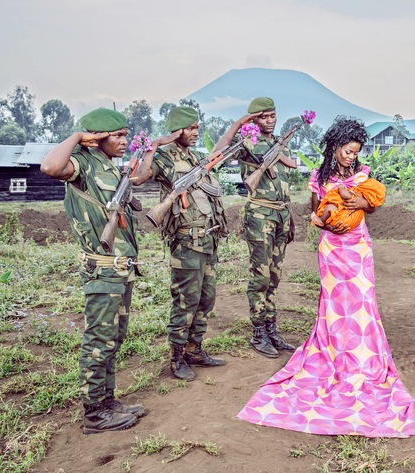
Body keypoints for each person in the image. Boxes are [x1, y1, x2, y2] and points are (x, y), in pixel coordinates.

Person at [237, 117, 415, 437]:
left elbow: (371, 206)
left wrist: (361, 202)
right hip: (332, 249)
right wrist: (328, 219)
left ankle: (362, 362)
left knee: (362, 305)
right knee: (334, 308)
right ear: (334, 147)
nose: (351, 156)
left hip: (358, 248)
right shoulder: (319, 176)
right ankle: (334, 359)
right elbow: (315, 214)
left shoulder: (362, 175)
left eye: (356, 151)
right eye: (347, 150)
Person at [41, 108, 144, 434]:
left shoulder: (110, 167)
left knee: (113, 338)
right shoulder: (82, 163)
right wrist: (76, 137)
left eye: (126, 135)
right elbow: (49, 166)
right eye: (118, 135)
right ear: (97, 138)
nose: (124, 141)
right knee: (98, 339)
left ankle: (107, 401)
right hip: (101, 271)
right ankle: (94, 414)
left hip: (120, 269)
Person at [134, 106, 229, 381]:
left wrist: (239, 125)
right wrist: (154, 144)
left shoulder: (197, 158)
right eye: (190, 128)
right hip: (187, 243)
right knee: (185, 301)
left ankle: (194, 348)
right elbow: (140, 177)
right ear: (176, 132)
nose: (196, 132)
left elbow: (219, 153)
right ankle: (177, 357)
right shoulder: (163, 158)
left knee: (205, 299)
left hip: (208, 239)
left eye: (197, 127)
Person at [213, 97, 297, 358]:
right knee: (260, 276)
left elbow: (283, 179)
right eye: (264, 116)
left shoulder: (275, 142)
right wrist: (239, 125)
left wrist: (289, 215)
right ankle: (258, 332)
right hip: (260, 216)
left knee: (274, 275)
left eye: (273, 115)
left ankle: (271, 329)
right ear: (253, 120)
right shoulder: (245, 142)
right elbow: (217, 155)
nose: (270, 120)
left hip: (280, 214)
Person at [310, 175, 385, 230]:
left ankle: (321, 220)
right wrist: (330, 229)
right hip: (332, 239)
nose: (351, 157)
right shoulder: (319, 175)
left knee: (329, 208)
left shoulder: (357, 190)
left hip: (351, 231)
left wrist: (341, 188)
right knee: (330, 208)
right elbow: (314, 212)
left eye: (355, 153)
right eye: (348, 152)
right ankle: (321, 221)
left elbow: (346, 196)